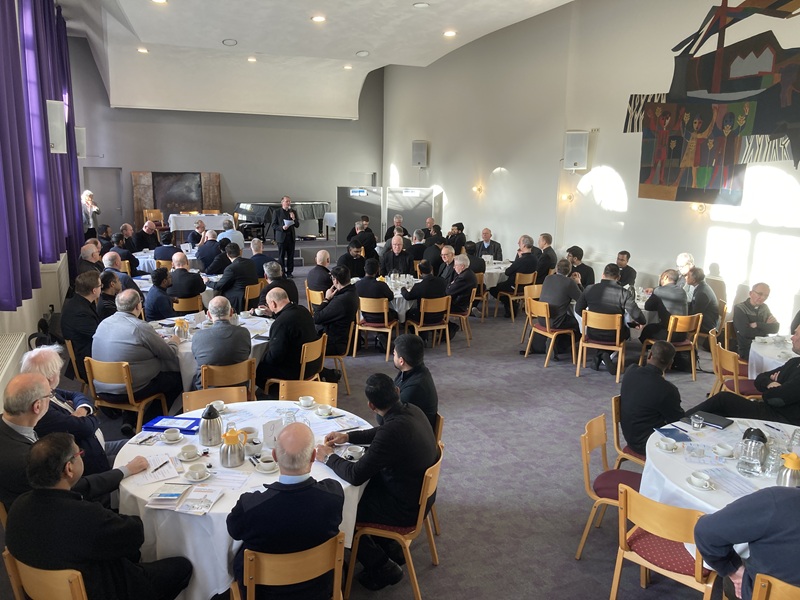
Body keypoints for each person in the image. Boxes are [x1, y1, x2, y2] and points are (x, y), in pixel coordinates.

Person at [5, 432, 192, 600]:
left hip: (41, 591)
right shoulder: (84, 516)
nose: (81, 456)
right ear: (69, 469)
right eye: (80, 454)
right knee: (182, 567)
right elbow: (135, 535)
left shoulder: (18, 506)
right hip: (102, 590)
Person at [314, 373, 438, 591]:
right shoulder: (412, 410)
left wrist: (328, 457)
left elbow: (355, 475)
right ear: (397, 391)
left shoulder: (392, 432)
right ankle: (389, 545)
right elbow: (382, 431)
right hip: (420, 494)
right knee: (363, 490)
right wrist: (348, 437)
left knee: (343, 510)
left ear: (371, 406)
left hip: (405, 508)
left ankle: (382, 567)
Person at [227, 422, 343, 600]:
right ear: (313, 456)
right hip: (319, 589)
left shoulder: (251, 507)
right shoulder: (334, 494)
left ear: (274, 456)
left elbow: (234, 531)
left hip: (264, 594)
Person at [0, 373, 147, 511]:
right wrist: (125, 470)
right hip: (52, 511)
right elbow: (74, 487)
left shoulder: (10, 425)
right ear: (37, 406)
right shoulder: (23, 460)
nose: (52, 398)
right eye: (50, 396)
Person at [20, 345, 127, 475]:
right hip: (90, 462)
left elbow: (76, 395)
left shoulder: (46, 390)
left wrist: (82, 409)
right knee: (137, 458)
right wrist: (91, 415)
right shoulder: (43, 410)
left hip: (98, 445)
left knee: (139, 445)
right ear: (51, 377)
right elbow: (87, 427)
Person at [92, 290, 183, 437]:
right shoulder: (139, 327)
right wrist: (174, 341)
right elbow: (169, 354)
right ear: (138, 306)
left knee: (133, 371)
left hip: (102, 387)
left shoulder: (103, 323)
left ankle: (129, 420)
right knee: (176, 380)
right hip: (129, 390)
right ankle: (147, 423)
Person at [694, 486, 800, 600]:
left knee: (734, 572)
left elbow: (705, 532)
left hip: (758, 595)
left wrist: (734, 571)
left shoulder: (778, 501)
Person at [686, 324, 800, 426]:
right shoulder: (794, 362)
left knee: (723, 400)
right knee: (717, 409)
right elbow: (760, 378)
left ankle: (680, 420)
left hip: (782, 419)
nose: (792, 338)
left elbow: (774, 399)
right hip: (770, 409)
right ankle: (683, 421)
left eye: (796, 334)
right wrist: (770, 384)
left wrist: (769, 388)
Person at [575, 263, 646, 371]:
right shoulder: (624, 293)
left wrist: (590, 319)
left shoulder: (589, 289)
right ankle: (605, 354)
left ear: (603, 275)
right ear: (618, 277)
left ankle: (601, 354)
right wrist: (640, 322)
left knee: (615, 330)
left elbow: (578, 309)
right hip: (614, 335)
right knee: (626, 331)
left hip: (592, 332)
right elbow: (637, 315)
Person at [619, 341, 683, 456]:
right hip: (650, 443)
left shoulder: (631, 370)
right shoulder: (668, 389)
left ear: (649, 355)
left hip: (631, 437)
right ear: (670, 364)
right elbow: (678, 422)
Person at [255, 288, 320, 388]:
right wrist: (273, 314)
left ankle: (273, 391)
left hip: (295, 371)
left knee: (255, 368)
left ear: (273, 304)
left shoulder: (281, 323)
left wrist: (259, 358)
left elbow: (275, 357)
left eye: (268, 304)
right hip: (314, 364)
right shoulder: (303, 310)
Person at [191, 297, 251, 390]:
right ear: (231, 312)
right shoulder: (244, 333)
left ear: (209, 315)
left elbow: (196, 359)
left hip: (208, 391)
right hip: (239, 389)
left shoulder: (198, 336)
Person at [313, 266, 358, 381]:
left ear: (335, 280)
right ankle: (325, 373)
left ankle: (327, 374)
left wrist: (326, 299)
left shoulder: (341, 300)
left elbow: (317, 317)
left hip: (334, 342)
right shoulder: (352, 292)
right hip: (338, 336)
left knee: (300, 348)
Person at [61, 271, 101, 382]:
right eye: (100, 286)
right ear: (94, 291)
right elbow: (99, 336)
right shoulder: (80, 313)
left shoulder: (80, 302)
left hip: (86, 349)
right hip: (87, 361)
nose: (101, 288)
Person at [393, 334, 438, 430]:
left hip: (414, 434)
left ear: (401, 361)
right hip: (408, 426)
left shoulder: (414, 387)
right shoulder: (412, 370)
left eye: (394, 354)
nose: (393, 356)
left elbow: (386, 419)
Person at [490, 235, 539, 318]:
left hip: (514, 286)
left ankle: (512, 304)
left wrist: (519, 259)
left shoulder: (520, 261)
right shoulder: (535, 259)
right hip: (527, 287)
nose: (518, 243)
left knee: (493, 289)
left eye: (519, 242)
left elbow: (507, 272)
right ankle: (511, 304)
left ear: (524, 245)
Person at [205, 243, 259, 313]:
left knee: (218, 294)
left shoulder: (231, 268)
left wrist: (207, 282)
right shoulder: (251, 262)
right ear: (240, 252)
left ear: (227, 255)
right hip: (253, 298)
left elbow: (219, 286)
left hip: (239, 299)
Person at [732, 282, 779, 359]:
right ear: (751, 293)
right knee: (772, 360)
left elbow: (776, 328)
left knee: (780, 356)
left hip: (764, 345)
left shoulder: (764, 308)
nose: (763, 298)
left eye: (766, 295)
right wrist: (766, 327)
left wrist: (758, 324)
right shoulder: (740, 308)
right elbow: (746, 332)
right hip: (748, 348)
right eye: (760, 294)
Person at [640, 269, 688, 343]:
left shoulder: (659, 290)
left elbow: (647, 307)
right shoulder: (682, 291)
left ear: (666, 277)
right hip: (683, 334)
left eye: (661, 277)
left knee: (647, 329)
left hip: (668, 334)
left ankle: (652, 348)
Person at [539, 258, 582, 331]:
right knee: (579, 322)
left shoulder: (548, 278)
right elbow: (581, 300)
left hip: (542, 319)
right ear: (569, 270)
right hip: (556, 322)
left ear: (556, 268)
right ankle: (570, 338)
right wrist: (579, 283)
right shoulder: (569, 282)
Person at [401, 260, 447, 326]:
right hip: (440, 316)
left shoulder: (419, 286)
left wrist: (403, 289)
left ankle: (417, 331)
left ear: (419, 272)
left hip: (424, 318)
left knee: (407, 312)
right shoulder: (442, 281)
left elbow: (408, 297)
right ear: (431, 269)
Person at [355, 258, 397, 325]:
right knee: (396, 313)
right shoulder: (382, 285)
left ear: (364, 269)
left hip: (365, 316)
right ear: (378, 270)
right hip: (383, 318)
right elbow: (391, 297)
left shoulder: (357, 285)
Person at [271, 196, 299, 278]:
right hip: (281, 237)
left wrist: (294, 218)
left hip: (291, 237)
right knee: (281, 256)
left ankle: (289, 272)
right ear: (282, 202)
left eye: (289, 201)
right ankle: (282, 272)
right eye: (287, 201)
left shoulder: (293, 212)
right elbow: (273, 225)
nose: (288, 203)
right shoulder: (277, 212)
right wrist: (282, 227)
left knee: (291, 256)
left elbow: (297, 225)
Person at [687, 266, 720, 335]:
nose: (686, 278)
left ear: (694, 280)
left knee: (678, 324)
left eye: (688, 276)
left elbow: (696, 314)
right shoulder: (700, 287)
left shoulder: (702, 293)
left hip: (706, 325)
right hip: (705, 320)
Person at [446, 254, 477, 322]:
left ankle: (447, 326)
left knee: (435, 306)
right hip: (462, 303)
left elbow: (449, 292)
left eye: (455, 265)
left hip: (458, 306)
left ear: (462, 266)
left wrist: (450, 285)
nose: (454, 267)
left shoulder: (463, 277)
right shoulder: (468, 273)